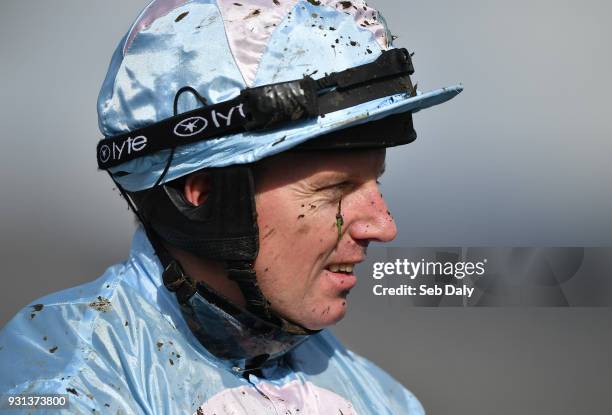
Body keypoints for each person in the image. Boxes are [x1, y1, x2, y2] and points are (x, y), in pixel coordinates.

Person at [0, 0, 461, 413]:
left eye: (375, 182)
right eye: (334, 190)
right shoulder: (63, 384)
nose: (382, 226)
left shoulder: (385, 401)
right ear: (202, 194)